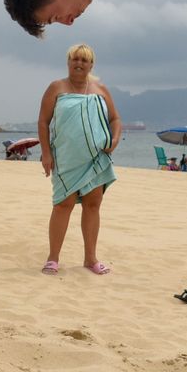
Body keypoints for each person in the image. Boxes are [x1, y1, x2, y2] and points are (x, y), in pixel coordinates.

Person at [37, 43, 120, 276]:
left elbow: (115, 119)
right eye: (75, 59)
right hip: (66, 158)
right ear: (68, 62)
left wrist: (114, 141)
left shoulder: (100, 89)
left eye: (84, 60)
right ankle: (53, 258)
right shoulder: (56, 87)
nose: (79, 63)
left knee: (93, 206)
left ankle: (90, 259)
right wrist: (46, 154)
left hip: (96, 158)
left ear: (91, 64)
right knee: (63, 205)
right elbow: (43, 121)